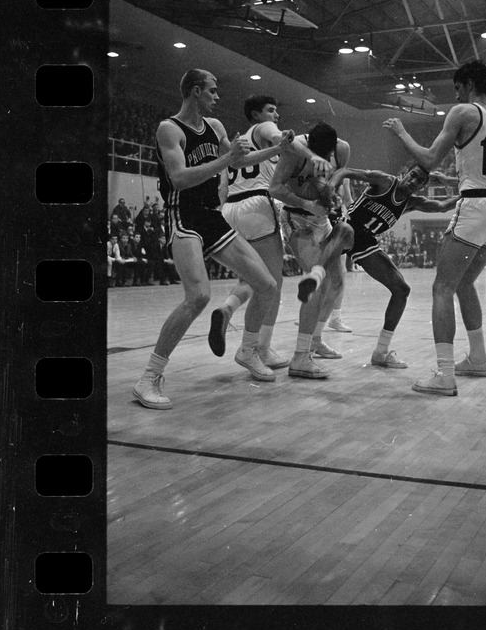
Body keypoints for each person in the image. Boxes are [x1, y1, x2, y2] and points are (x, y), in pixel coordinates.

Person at [132, 68, 295, 410]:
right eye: (212, 91)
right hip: (183, 216)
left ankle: (248, 351)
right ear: (194, 91)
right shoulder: (169, 129)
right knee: (199, 297)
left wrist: (276, 149)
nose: (218, 97)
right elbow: (177, 179)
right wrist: (225, 159)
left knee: (266, 284)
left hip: (212, 216)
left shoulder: (216, 127)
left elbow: (242, 160)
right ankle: (148, 378)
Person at [384, 59, 486, 396]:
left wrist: (401, 132)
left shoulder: (463, 112)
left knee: (442, 287)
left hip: (476, 207)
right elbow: (484, 170)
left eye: (457, 89)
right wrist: (453, 178)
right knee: (465, 283)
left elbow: (427, 159)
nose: (456, 96)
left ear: (468, 85)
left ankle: (444, 375)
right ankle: (478, 359)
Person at [207, 94, 333, 368]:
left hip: (229, 210)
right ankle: (260, 349)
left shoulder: (238, 144)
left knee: (254, 277)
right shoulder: (262, 128)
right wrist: (311, 155)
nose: (275, 115)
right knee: (273, 285)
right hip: (257, 206)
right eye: (270, 110)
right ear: (256, 115)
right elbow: (279, 139)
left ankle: (226, 308)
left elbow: (222, 187)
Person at [328, 162, 458, 369]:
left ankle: (381, 351)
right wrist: (330, 188)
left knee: (401, 290)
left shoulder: (412, 202)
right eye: (412, 175)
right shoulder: (385, 181)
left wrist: (469, 191)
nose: (413, 181)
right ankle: (312, 339)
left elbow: (442, 207)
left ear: (422, 186)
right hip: (343, 228)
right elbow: (346, 171)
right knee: (326, 283)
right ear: (405, 173)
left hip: (365, 242)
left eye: (419, 181)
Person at [268, 121, 355, 379]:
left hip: (322, 218)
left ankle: (315, 339)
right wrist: (307, 202)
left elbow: (338, 176)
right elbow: (274, 188)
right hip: (296, 217)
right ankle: (300, 357)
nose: (327, 158)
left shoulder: (343, 149)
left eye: (329, 155)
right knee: (316, 285)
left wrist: (332, 195)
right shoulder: (295, 151)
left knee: (337, 282)